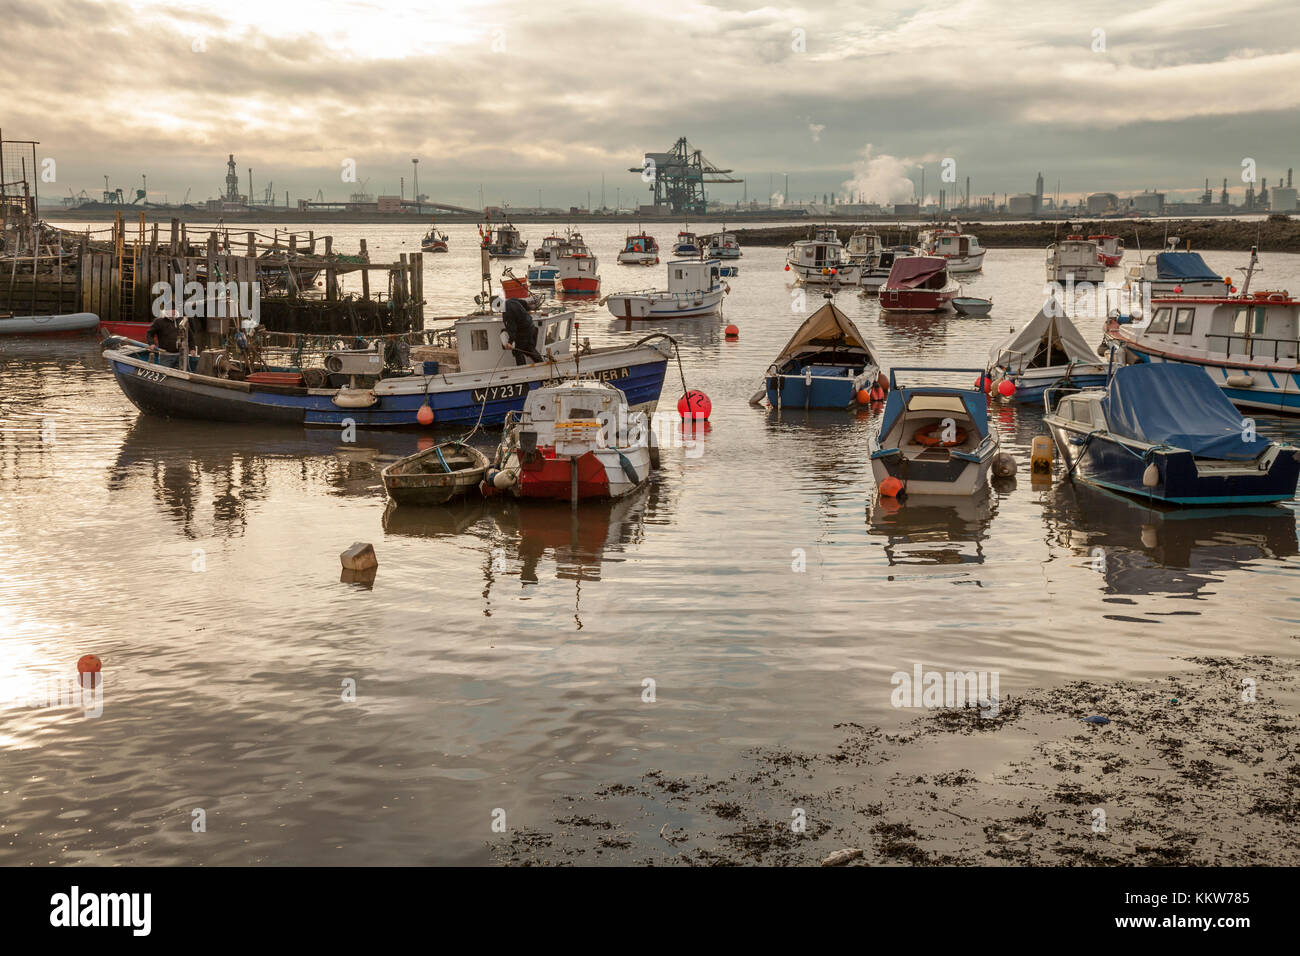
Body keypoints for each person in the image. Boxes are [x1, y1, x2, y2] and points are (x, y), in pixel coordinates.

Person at [502, 297, 543, 365]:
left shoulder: (507, 312)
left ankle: (522, 369)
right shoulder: (511, 300)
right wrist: (529, 309)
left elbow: (512, 328)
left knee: (517, 351)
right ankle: (541, 364)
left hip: (523, 331)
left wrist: (509, 342)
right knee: (529, 347)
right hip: (531, 326)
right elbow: (524, 303)